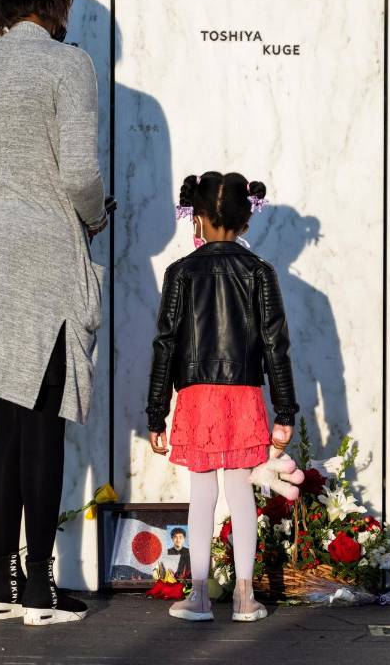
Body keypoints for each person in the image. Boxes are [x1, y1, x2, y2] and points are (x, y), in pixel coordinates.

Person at [0, 0, 108, 626]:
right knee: (42, 418)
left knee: (8, 420)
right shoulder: (69, 65)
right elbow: (80, 173)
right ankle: (40, 586)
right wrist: (92, 217)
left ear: (2, 7)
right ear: (53, 6)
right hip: (45, 247)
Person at [146, 171, 298, 622]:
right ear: (244, 220)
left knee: (202, 493)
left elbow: (165, 345)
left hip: (197, 397)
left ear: (197, 218)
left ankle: (198, 595)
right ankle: (245, 596)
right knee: (240, 490)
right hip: (244, 394)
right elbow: (276, 344)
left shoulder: (180, 272)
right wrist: (284, 411)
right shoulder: (260, 272)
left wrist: (156, 413)